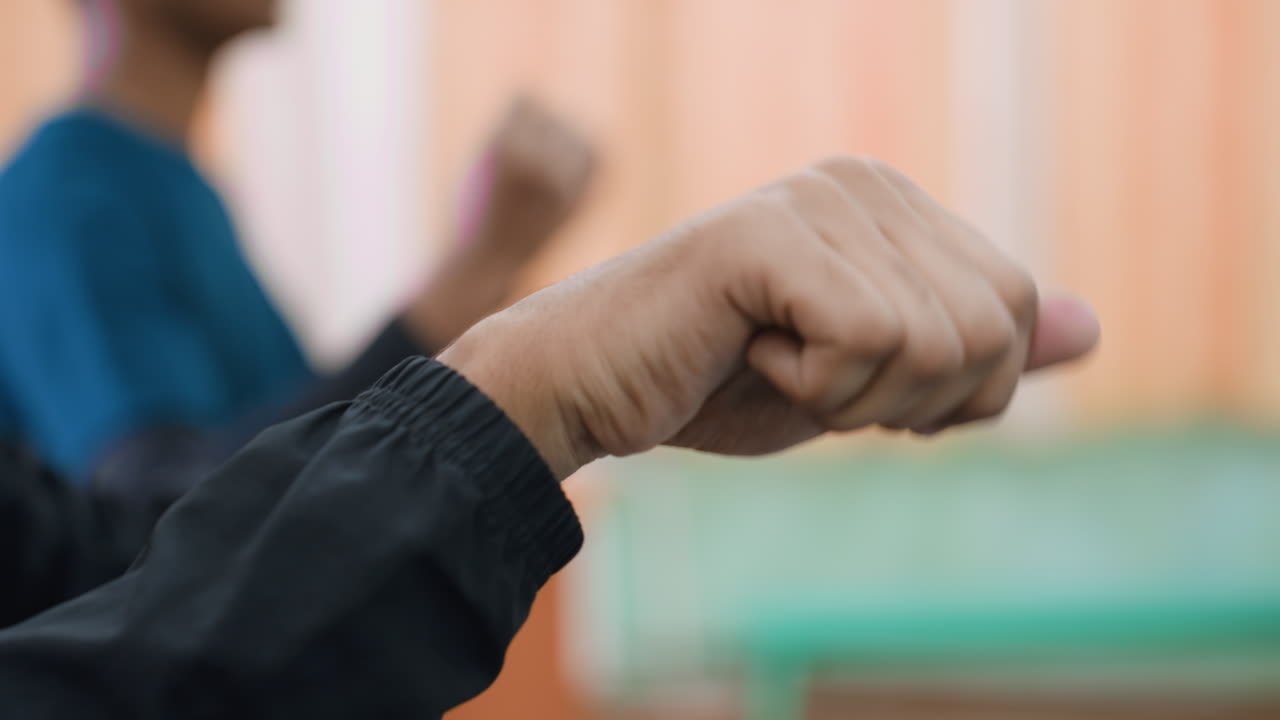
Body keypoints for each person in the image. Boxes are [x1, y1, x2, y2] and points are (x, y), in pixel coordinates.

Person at [0, 156, 1100, 717]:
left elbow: (139, 553)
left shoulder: (182, 187)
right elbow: (151, 545)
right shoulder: (67, 192)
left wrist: (513, 381)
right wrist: (519, 384)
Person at [0, 0, 594, 503]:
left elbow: (301, 453)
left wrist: (488, 266)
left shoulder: (175, 191)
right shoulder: (63, 196)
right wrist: (471, 272)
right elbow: (159, 512)